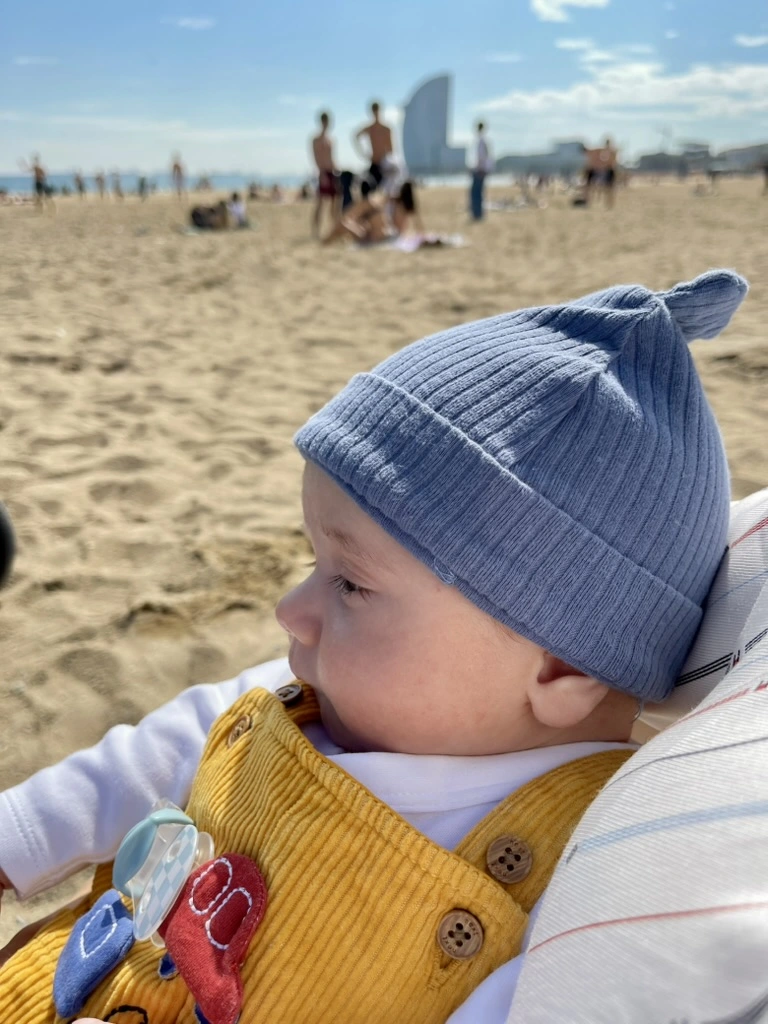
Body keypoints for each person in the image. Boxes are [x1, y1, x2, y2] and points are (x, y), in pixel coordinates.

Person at [0, 270, 749, 1024]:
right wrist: (20, 836)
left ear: (563, 666)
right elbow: (155, 752)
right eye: (313, 563)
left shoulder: (595, 865)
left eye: (350, 583)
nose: (290, 611)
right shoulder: (315, 695)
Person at [322, 179, 422, 245]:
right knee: (344, 225)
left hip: (375, 236)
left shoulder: (374, 203)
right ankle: (326, 242)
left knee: (343, 225)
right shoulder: (400, 204)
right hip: (378, 234)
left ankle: (325, 243)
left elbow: (350, 215)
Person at [354, 100, 394, 192]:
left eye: (377, 110)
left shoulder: (386, 129)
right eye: (374, 111)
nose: (376, 113)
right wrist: (363, 153)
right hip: (374, 163)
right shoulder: (370, 128)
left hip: (385, 164)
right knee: (369, 189)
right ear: (372, 112)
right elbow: (356, 136)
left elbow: (391, 149)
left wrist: (389, 161)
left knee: (387, 190)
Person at [311, 110, 340, 238]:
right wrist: (322, 173)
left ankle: (333, 229)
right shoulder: (316, 139)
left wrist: (337, 171)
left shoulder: (330, 139)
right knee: (321, 203)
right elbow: (315, 157)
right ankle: (316, 231)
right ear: (321, 122)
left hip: (332, 172)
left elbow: (332, 157)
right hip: (323, 173)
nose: (326, 124)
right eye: (324, 122)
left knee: (334, 203)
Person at [470, 122, 492, 221]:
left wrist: (480, 169)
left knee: (476, 193)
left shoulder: (481, 141)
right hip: (481, 169)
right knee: (478, 192)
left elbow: (482, 157)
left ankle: (477, 214)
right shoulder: (482, 141)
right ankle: (478, 213)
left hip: (480, 170)